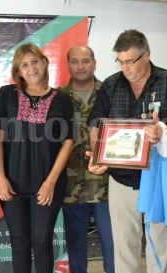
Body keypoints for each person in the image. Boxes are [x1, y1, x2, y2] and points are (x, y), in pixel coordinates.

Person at [86, 29, 167, 273]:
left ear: (146, 56)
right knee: (124, 247)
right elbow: (95, 126)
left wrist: (164, 131)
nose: (125, 67)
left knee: (161, 247)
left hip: (158, 179)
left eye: (130, 61)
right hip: (121, 180)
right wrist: (97, 154)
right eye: (120, 61)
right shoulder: (111, 85)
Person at [0, 43, 74, 272]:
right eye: (24, 65)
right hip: (12, 186)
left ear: (44, 63)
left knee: (42, 242)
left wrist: (50, 182)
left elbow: (68, 141)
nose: (31, 68)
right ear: (18, 71)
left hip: (47, 185)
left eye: (35, 61)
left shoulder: (62, 100)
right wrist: (1, 177)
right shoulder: (6, 96)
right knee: (18, 243)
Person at [59, 45, 114, 273]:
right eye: (75, 61)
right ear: (68, 65)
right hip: (71, 189)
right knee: (76, 248)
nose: (80, 66)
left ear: (94, 63)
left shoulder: (110, 94)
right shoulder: (58, 98)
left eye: (85, 61)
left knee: (112, 245)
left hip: (108, 186)